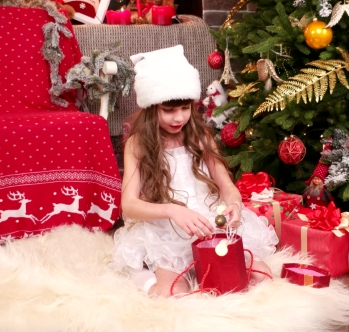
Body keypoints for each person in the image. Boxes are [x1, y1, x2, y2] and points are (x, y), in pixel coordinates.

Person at [110, 45, 279, 298]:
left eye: (185, 108)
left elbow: (226, 185)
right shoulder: (138, 143)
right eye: (168, 110)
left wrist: (234, 204)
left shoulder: (201, 136)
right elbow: (130, 205)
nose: (178, 118)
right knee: (171, 294)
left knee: (262, 279)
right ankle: (140, 275)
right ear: (151, 107)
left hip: (209, 222)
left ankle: (205, 271)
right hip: (168, 228)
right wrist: (172, 209)